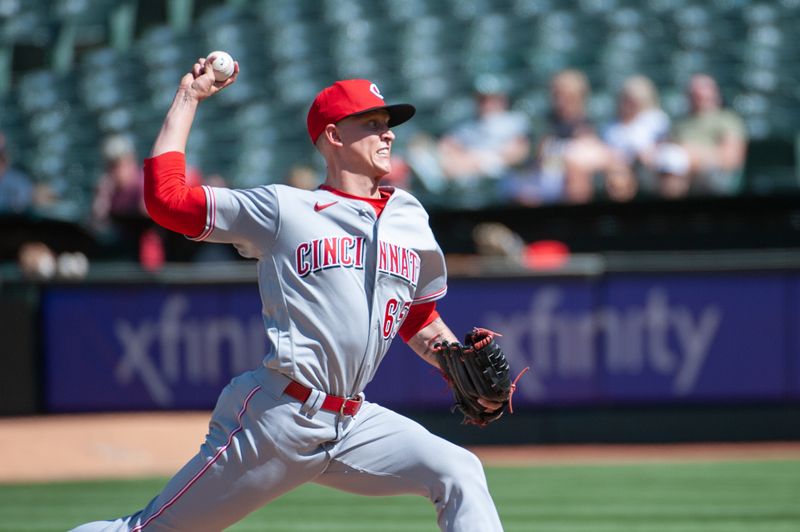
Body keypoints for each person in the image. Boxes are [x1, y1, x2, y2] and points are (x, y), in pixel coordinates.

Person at [70, 59, 505, 531]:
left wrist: (452, 361)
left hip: (354, 423)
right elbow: (167, 200)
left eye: (388, 125)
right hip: (280, 418)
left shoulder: (409, 215)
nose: (389, 135)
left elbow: (418, 317)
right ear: (334, 136)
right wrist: (189, 98)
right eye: (373, 124)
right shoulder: (284, 209)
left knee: (459, 471)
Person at [671, 73, 747, 195]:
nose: (698, 95)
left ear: (714, 94)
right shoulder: (679, 123)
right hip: (679, 174)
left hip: (714, 175)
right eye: (694, 94)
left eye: (703, 92)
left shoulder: (728, 119)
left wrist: (693, 154)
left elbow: (731, 160)